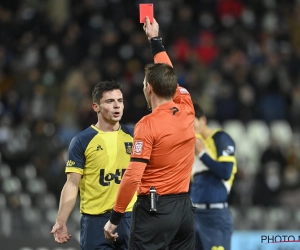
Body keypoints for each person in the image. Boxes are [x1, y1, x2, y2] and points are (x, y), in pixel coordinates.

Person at [104, 17, 196, 250]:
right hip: (184, 212)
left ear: (149, 88)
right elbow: (169, 73)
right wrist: (155, 40)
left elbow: (133, 176)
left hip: (156, 212)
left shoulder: (147, 124)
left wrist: (115, 219)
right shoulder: (187, 107)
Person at [50, 80, 136, 250]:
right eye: (110, 101)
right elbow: (72, 184)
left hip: (131, 219)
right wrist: (61, 220)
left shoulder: (135, 136)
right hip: (95, 222)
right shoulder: (82, 141)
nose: (117, 106)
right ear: (96, 107)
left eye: (120, 100)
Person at [190, 103, 237, 250]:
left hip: (215, 215)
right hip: (194, 215)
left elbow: (225, 172)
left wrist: (203, 154)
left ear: (202, 119)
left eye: (192, 122)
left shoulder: (221, 139)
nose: (189, 127)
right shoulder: (192, 144)